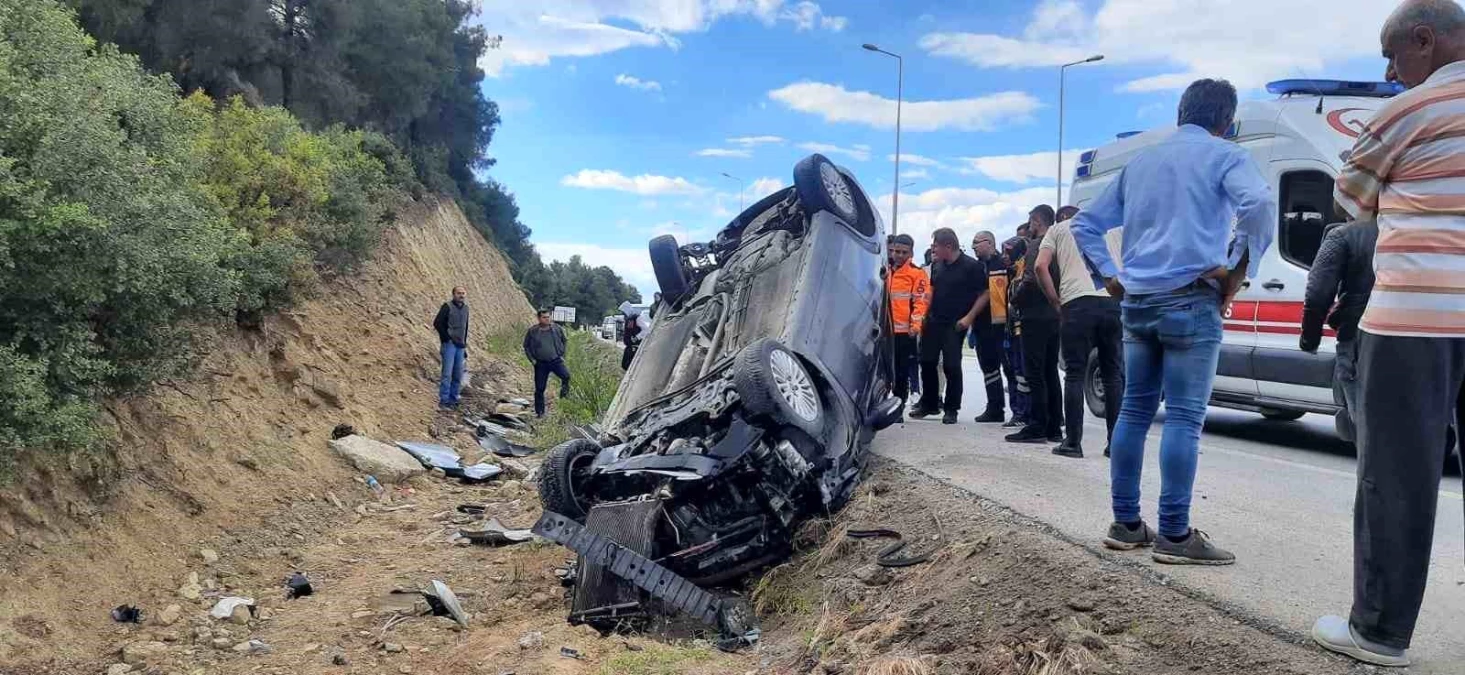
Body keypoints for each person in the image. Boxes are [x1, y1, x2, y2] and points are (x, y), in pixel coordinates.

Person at [1312, 0, 1465, 666]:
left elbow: (1351, 202)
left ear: (1423, 41)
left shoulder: (1402, 112)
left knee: (1396, 474)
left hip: (1414, 319)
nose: (1386, 69)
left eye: (1391, 54)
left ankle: (1378, 630)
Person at [1072, 78, 1275, 566]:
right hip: (1191, 300)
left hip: (1138, 303)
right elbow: (1261, 205)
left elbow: (1085, 223)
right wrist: (1238, 268)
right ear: (1226, 122)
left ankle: (1125, 524)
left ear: (1181, 112)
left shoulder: (1140, 163)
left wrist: (1112, 278)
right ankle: (1176, 535)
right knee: (1184, 416)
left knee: (1137, 411)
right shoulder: (1226, 157)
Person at [1036, 207, 1125, 458]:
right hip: (1112, 301)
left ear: (1063, 217)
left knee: (1074, 374)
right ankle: (1115, 444)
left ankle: (1073, 443)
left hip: (1076, 304)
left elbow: (1041, 266)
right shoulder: (1114, 228)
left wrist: (1055, 302)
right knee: (1113, 375)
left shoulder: (1057, 229)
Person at [1300, 213, 1376, 443]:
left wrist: (1310, 339)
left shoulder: (1344, 235)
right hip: (1419, 340)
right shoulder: (1414, 229)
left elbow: (1317, 295)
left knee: (1367, 433)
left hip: (1358, 338)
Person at [912, 228, 988, 424]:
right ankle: (929, 403)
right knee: (927, 362)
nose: (933, 249)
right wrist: (923, 315)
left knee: (951, 365)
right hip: (933, 321)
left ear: (948, 246)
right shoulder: (938, 266)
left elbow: (985, 294)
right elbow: (932, 291)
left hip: (955, 323)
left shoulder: (971, 266)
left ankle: (951, 408)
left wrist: (969, 318)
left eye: (936, 245)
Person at [1007, 206, 1064, 444]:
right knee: (1050, 371)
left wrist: (1014, 299)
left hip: (1034, 315)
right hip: (1055, 315)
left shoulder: (1037, 245)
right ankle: (1054, 426)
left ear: (1036, 222)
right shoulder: (1062, 244)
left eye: (1031, 222)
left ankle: (1037, 425)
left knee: (1034, 372)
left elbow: (1030, 279)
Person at [970, 231, 1011, 423]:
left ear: (990, 243)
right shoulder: (977, 268)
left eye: (977, 243)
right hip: (982, 326)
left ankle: (1021, 411)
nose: (974, 247)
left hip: (1002, 326)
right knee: (989, 368)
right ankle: (995, 407)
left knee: (1011, 369)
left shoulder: (1002, 265)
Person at [886, 234, 930, 405]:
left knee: (901, 372)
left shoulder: (916, 274)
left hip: (904, 332)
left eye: (904, 252)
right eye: (896, 251)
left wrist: (915, 326)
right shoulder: (885, 271)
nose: (899, 256)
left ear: (911, 252)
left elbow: (920, 302)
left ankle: (898, 404)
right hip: (883, 330)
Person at [1000, 234, 1031, 428]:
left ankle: (1023, 412)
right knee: (1014, 372)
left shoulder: (1023, 270)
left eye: (1008, 252)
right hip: (1011, 329)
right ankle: (1019, 411)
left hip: (1023, 330)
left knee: (1022, 373)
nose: (1004, 256)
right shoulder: (1011, 272)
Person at [523, 309, 571, 418]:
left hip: (555, 360)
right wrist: (532, 360)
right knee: (540, 388)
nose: (547, 319)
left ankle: (564, 400)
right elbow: (526, 346)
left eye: (548, 317)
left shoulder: (557, 329)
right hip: (540, 363)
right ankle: (540, 412)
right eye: (544, 317)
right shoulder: (533, 331)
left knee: (566, 376)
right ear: (539, 318)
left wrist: (563, 355)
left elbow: (565, 340)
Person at [432, 286, 471, 410]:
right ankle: (444, 401)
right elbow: (437, 323)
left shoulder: (466, 308)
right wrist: (446, 338)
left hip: (460, 346)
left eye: (463, 293)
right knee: (447, 374)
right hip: (449, 345)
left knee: (457, 374)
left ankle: (453, 400)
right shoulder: (447, 306)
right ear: (453, 294)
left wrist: (464, 345)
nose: (461, 295)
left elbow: (465, 328)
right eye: (459, 293)